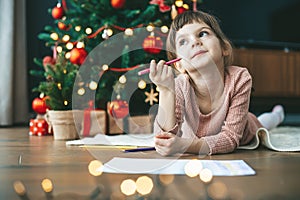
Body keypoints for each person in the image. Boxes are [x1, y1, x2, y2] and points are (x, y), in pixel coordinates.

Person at [149, 10, 284, 156]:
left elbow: (230, 138)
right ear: (179, 66)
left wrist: (184, 145)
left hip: (246, 128)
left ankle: (277, 115)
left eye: (202, 34)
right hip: (197, 140)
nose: (195, 42)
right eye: (183, 42)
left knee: (263, 123)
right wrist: (165, 91)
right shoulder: (179, 86)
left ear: (224, 48)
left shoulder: (239, 78)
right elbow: (163, 137)